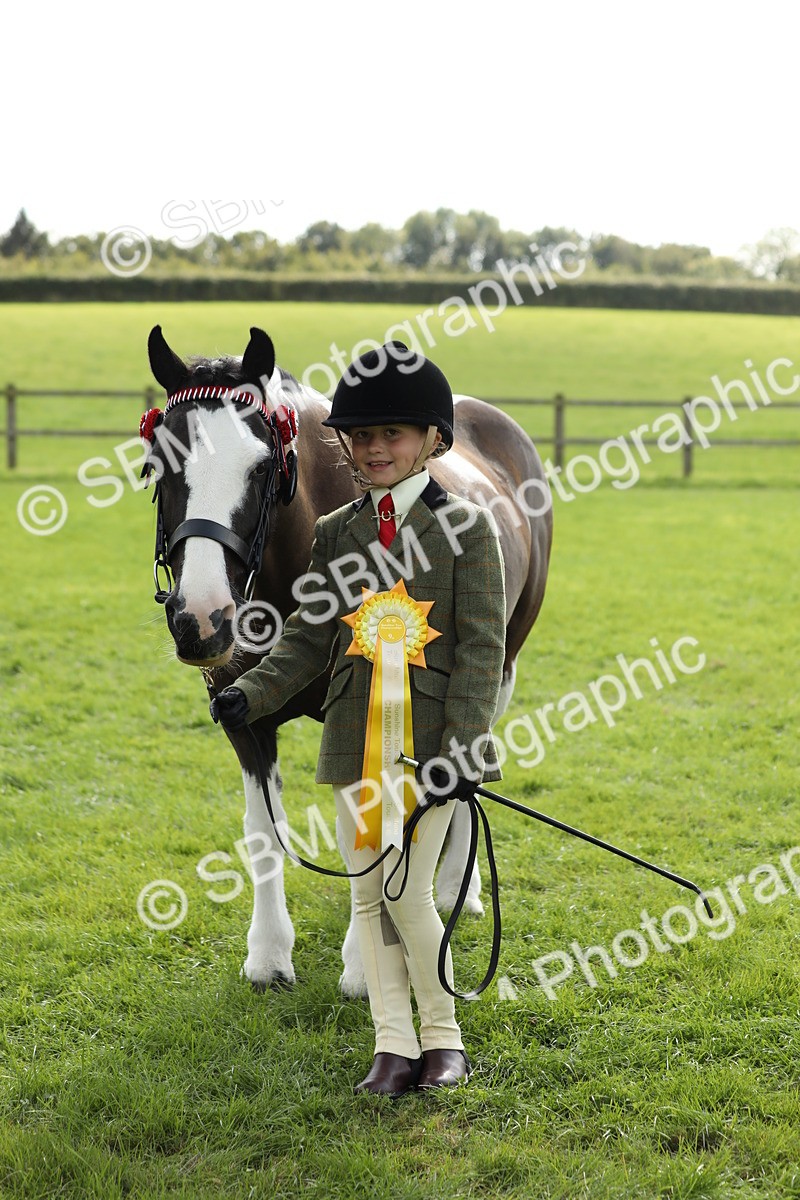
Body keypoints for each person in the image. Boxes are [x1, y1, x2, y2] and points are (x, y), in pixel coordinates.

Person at [211, 341, 506, 1097]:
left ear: (433, 440)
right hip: (354, 744)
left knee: (406, 894)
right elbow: (307, 635)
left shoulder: (469, 531)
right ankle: (390, 1047)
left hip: (434, 751)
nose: (376, 449)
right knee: (367, 893)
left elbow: (481, 651)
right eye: (362, 437)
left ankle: (443, 1040)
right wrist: (254, 693)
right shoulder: (336, 532)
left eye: (394, 435)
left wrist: (466, 751)